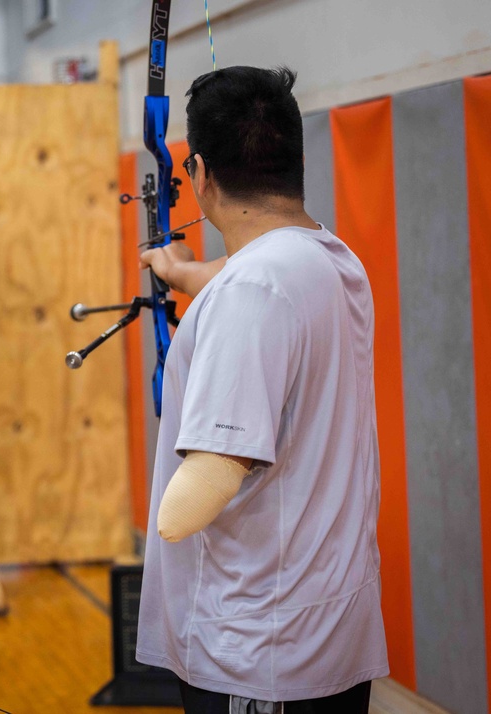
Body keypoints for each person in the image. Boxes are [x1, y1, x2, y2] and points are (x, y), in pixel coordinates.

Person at [135, 67, 388, 713]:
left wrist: (164, 502)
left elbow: (211, 480)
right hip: (318, 633)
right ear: (294, 159)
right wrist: (181, 271)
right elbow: (240, 275)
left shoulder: (250, 293)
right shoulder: (328, 257)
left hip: (255, 648)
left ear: (198, 174)